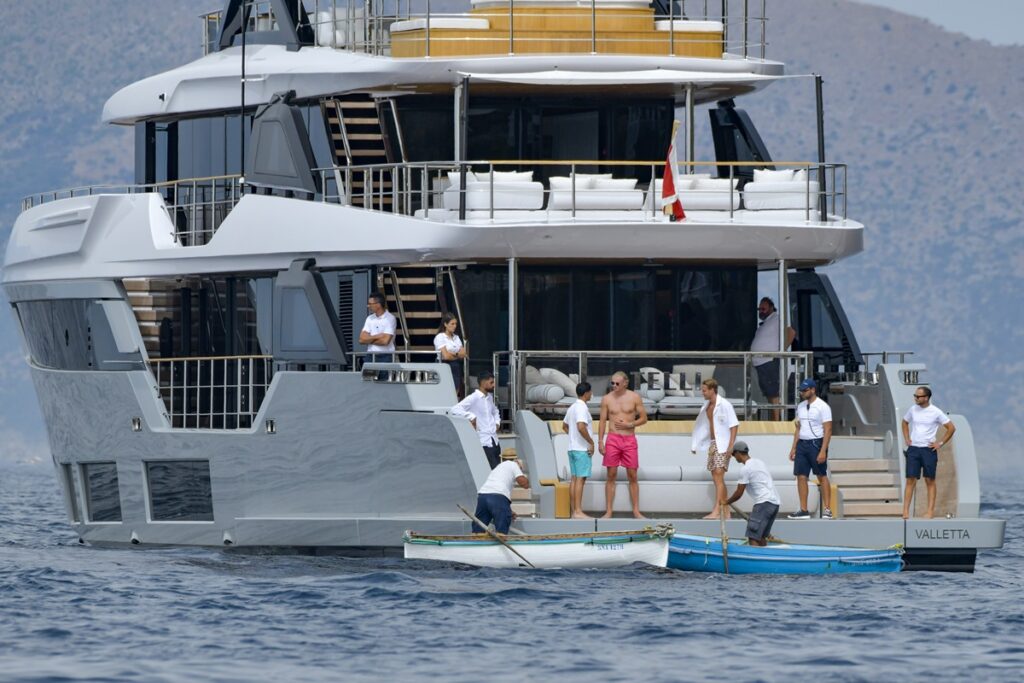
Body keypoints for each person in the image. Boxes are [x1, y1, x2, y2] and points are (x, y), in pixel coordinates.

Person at [598, 371, 648, 519]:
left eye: (617, 383)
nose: (614, 386)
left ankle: (636, 511)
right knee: (611, 475)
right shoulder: (606, 399)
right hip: (613, 439)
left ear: (625, 383)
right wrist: (600, 441)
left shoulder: (634, 397)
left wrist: (629, 424)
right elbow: (602, 421)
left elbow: (644, 418)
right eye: (612, 383)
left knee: (632, 475)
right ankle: (608, 511)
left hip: (629, 439)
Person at [901, 386, 956, 519]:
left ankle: (930, 511)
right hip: (914, 448)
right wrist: (907, 438)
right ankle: (905, 511)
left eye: (918, 396)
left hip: (928, 449)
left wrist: (940, 443)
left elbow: (951, 428)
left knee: (929, 480)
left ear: (926, 398)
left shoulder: (936, 412)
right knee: (910, 479)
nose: (915, 398)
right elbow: (904, 422)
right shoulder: (912, 409)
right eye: (915, 396)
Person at [690, 378, 739, 520]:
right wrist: (695, 444)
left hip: (722, 444)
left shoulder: (724, 404)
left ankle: (717, 510)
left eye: (704, 390)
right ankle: (727, 511)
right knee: (716, 477)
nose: (702, 393)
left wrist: (730, 446)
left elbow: (734, 425)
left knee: (718, 475)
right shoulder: (706, 406)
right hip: (713, 443)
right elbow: (703, 427)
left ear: (712, 390)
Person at [788, 378, 832, 519]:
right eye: (801, 390)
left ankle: (827, 509)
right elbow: (798, 428)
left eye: (805, 390)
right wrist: (793, 447)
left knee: (821, 475)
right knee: (801, 476)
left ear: (813, 390)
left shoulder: (823, 406)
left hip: (816, 443)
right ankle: (803, 509)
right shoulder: (800, 406)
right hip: (802, 443)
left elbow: (828, 430)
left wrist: (823, 450)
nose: (802, 393)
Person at [723, 441, 781, 546]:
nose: (734, 457)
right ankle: (764, 559)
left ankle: (757, 560)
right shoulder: (759, 462)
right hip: (775, 503)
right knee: (761, 536)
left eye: (733, 455)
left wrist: (726, 502)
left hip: (763, 503)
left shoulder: (745, 469)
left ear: (737, 453)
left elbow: (738, 493)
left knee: (753, 537)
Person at [750, 297, 796, 420]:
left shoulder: (777, 319)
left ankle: (777, 421)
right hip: (761, 363)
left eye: (764, 308)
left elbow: (791, 332)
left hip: (769, 361)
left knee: (774, 393)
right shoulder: (764, 324)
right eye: (759, 309)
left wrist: (780, 352)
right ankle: (774, 419)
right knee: (769, 395)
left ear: (771, 307)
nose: (761, 311)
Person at [451, 370, 502, 469]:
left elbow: (495, 411)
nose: (494, 385)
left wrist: (497, 423)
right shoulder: (473, 397)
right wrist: (471, 416)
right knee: (492, 470)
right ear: (483, 383)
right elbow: (455, 409)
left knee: (498, 469)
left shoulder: (489, 397)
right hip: (483, 441)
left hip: (494, 440)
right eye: (491, 382)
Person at [472, 451, 529, 534]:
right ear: (516, 459)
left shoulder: (497, 468)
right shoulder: (513, 464)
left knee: (478, 531)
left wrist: (509, 511)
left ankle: (476, 541)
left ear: (501, 458)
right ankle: (500, 541)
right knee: (501, 531)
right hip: (497, 498)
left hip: (483, 496)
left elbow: (497, 494)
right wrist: (520, 469)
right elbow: (524, 484)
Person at [562, 382, 595, 519]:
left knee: (575, 480)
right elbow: (581, 426)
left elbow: (564, 426)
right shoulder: (581, 407)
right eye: (591, 392)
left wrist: (573, 437)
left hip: (572, 448)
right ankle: (578, 511)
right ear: (587, 393)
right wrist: (590, 442)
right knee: (580, 480)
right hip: (581, 450)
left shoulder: (572, 407)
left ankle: (574, 511)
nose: (591, 394)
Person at [433, 313, 467, 399]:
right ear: (445, 324)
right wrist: (456, 354)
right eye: (452, 324)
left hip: (455, 365)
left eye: (456, 324)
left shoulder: (456, 337)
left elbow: (464, 354)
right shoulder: (440, 337)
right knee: (444, 389)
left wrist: (453, 354)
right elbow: (446, 356)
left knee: (456, 388)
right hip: (443, 364)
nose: (455, 326)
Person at [358, 292, 396, 363]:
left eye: (370, 304)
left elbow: (385, 341)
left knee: (385, 374)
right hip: (370, 355)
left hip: (386, 356)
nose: (368, 306)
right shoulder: (369, 318)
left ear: (378, 305)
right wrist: (377, 336)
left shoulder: (390, 318)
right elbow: (361, 340)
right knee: (367, 374)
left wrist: (369, 339)